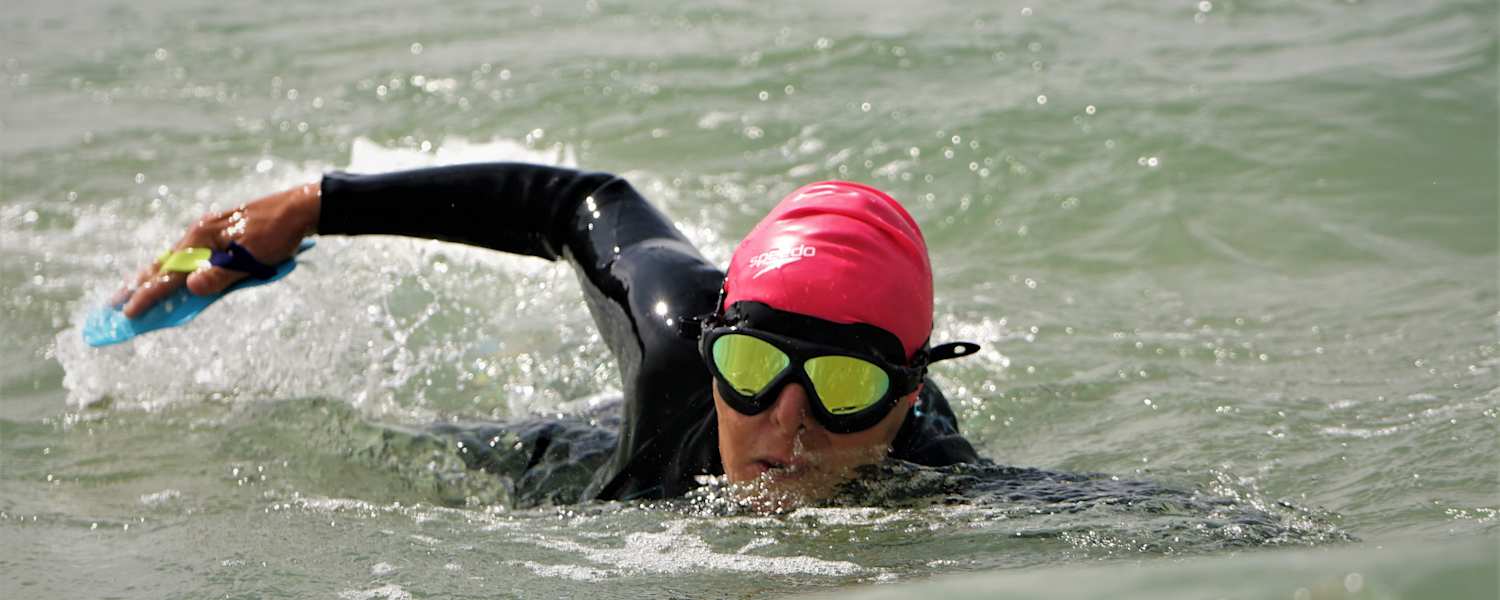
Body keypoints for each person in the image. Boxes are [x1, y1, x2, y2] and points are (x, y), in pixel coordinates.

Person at [115, 163, 982, 502]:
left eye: (840, 386)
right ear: (715, 341)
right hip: (575, 455)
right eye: (752, 365)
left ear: (906, 393)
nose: (786, 420)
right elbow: (580, 203)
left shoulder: (940, 482)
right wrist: (317, 205)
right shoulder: (677, 344)